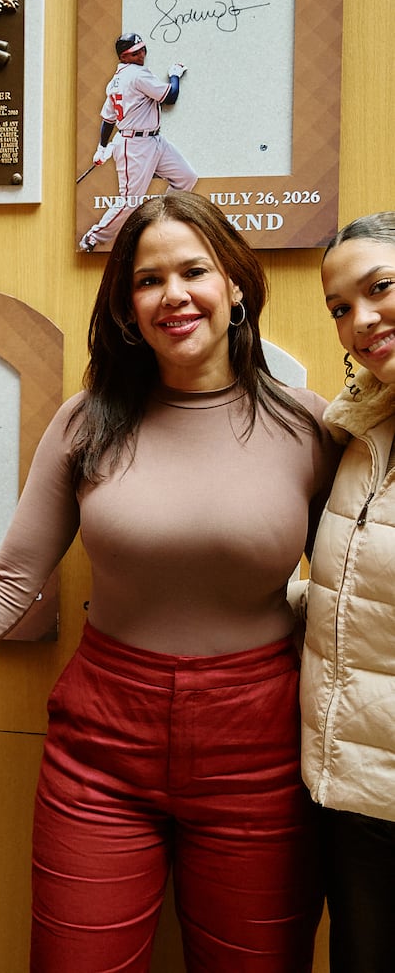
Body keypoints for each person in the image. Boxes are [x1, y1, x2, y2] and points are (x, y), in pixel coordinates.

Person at [0, 192, 341, 972]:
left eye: (195, 271)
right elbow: (13, 576)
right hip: (102, 751)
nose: (173, 295)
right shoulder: (87, 421)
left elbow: (353, 594)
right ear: (126, 305)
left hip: (261, 749)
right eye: (148, 280)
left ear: (237, 286)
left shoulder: (307, 426)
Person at [300, 211, 395, 973]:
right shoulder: (359, 434)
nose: (360, 320)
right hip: (352, 794)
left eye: (381, 289)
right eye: (340, 308)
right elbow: (360, 596)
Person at [79, 33, 196, 253]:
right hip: (134, 144)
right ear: (124, 56)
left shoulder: (116, 80)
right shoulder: (136, 75)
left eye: (142, 49)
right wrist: (174, 75)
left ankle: (160, 221)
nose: (141, 54)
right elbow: (170, 97)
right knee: (130, 201)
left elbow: (108, 119)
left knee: (186, 177)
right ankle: (92, 237)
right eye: (135, 52)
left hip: (153, 140)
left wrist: (102, 148)